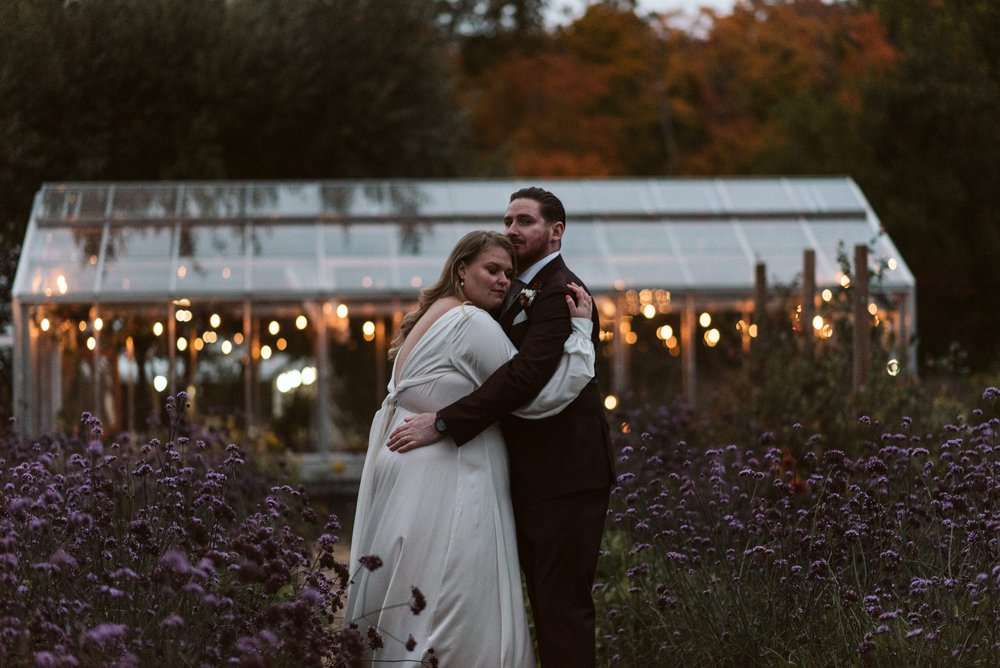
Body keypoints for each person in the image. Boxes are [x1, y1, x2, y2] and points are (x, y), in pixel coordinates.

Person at [346, 230, 597, 667]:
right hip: (448, 475)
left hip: (407, 470)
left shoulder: (429, 315)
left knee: (407, 591)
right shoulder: (470, 323)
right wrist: (580, 336)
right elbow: (534, 394)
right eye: (492, 269)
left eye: (508, 272)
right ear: (462, 270)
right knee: (456, 591)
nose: (503, 281)